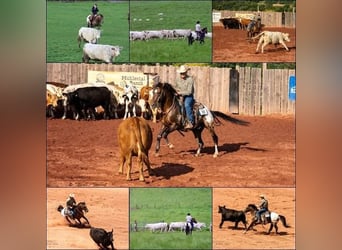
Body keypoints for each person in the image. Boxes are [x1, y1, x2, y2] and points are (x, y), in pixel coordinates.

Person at [174, 65, 195, 130]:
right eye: (181, 73)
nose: (182, 74)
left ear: (186, 72)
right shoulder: (177, 79)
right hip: (179, 96)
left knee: (187, 105)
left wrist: (179, 93)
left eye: (183, 73)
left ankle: (190, 122)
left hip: (188, 96)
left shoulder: (190, 79)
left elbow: (189, 91)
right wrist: (176, 91)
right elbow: (176, 87)